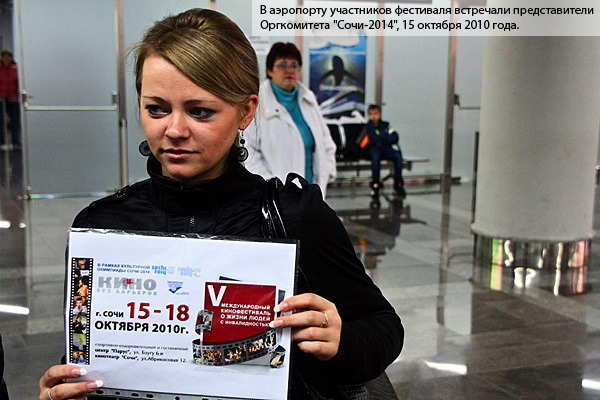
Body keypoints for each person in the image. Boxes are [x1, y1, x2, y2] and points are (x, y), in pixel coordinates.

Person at [38, 9, 403, 400]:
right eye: (156, 108)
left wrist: (341, 341)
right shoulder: (103, 227)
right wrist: (65, 389)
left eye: (200, 111)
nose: (174, 130)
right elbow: (89, 358)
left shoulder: (294, 217)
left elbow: (382, 326)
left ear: (246, 111)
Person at [245, 42, 337, 198]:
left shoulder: (308, 98)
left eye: (294, 65)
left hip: (312, 193)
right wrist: (273, 187)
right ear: (270, 70)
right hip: (277, 196)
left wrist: (328, 170)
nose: (289, 70)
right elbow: (250, 153)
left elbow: (326, 140)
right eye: (282, 65)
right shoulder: (258, 103)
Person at [364, 104, 406, 198]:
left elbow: (395, 136)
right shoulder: (367, 126)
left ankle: (398, 184)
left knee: (397, 155)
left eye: (375, 114)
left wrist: (384, 141)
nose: (373, 116)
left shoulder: (386, 125)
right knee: (375, 157)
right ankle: (375, 184)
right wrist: (383, 138)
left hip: (385, 147)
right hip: (373, 148)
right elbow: (373, 139)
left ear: (379, 114)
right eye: (371, 114)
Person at [0, 50, 21, 150]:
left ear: (11, 58)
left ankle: (16, 142)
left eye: (8, 57)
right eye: (4, 57)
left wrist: (17, 95)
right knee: (1, 121)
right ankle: (2, 142)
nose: (6, 59)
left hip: (13, 99)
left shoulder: (16, 70)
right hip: (1, 99)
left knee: (15, 120)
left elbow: (18, 83)